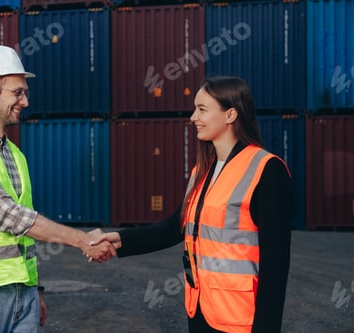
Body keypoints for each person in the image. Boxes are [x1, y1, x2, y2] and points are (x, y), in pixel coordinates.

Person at [0, 45, 115, 333]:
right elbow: (6, 215)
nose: (25, 101)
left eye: (25, 93)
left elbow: (25, 234)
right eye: (17, 92)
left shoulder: (16, 155)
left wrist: (34, 288)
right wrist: (81, 240)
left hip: (23, 296)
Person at [90, 76, 293, 333]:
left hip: (240, 318)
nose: (192, 117)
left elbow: (276, 265)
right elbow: (177, 226)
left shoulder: (266, 169)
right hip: (200, 311)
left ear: (230, 115)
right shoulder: (202, 171)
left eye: (202, 109)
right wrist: (122, 240)